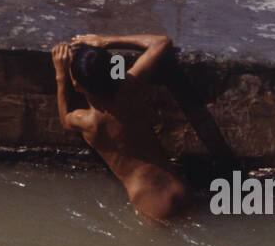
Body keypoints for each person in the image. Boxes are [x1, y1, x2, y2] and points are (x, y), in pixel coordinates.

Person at [51, 33, 189, 222]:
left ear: (76, 84)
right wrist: (106, 41)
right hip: (178, 185)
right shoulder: (130, 87)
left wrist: (60, 76)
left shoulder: (87, 121)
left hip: (148, 200)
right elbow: (161, 42)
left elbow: (65, 121)